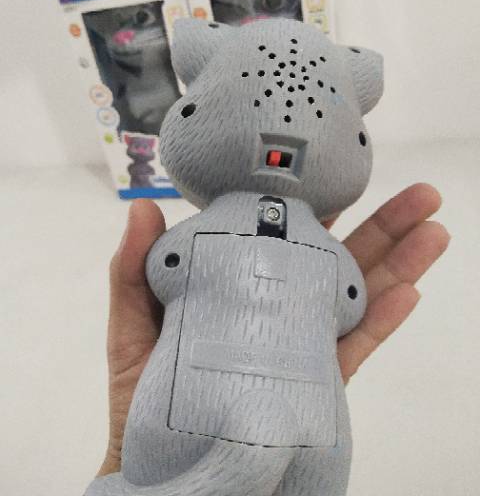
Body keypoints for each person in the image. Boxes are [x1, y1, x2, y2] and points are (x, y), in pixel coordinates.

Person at [96, 183, 450, 477]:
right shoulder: (330, 255)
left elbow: (167, 268)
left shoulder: (196, 235)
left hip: (174, 425)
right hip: (310, 436)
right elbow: (349, 305)